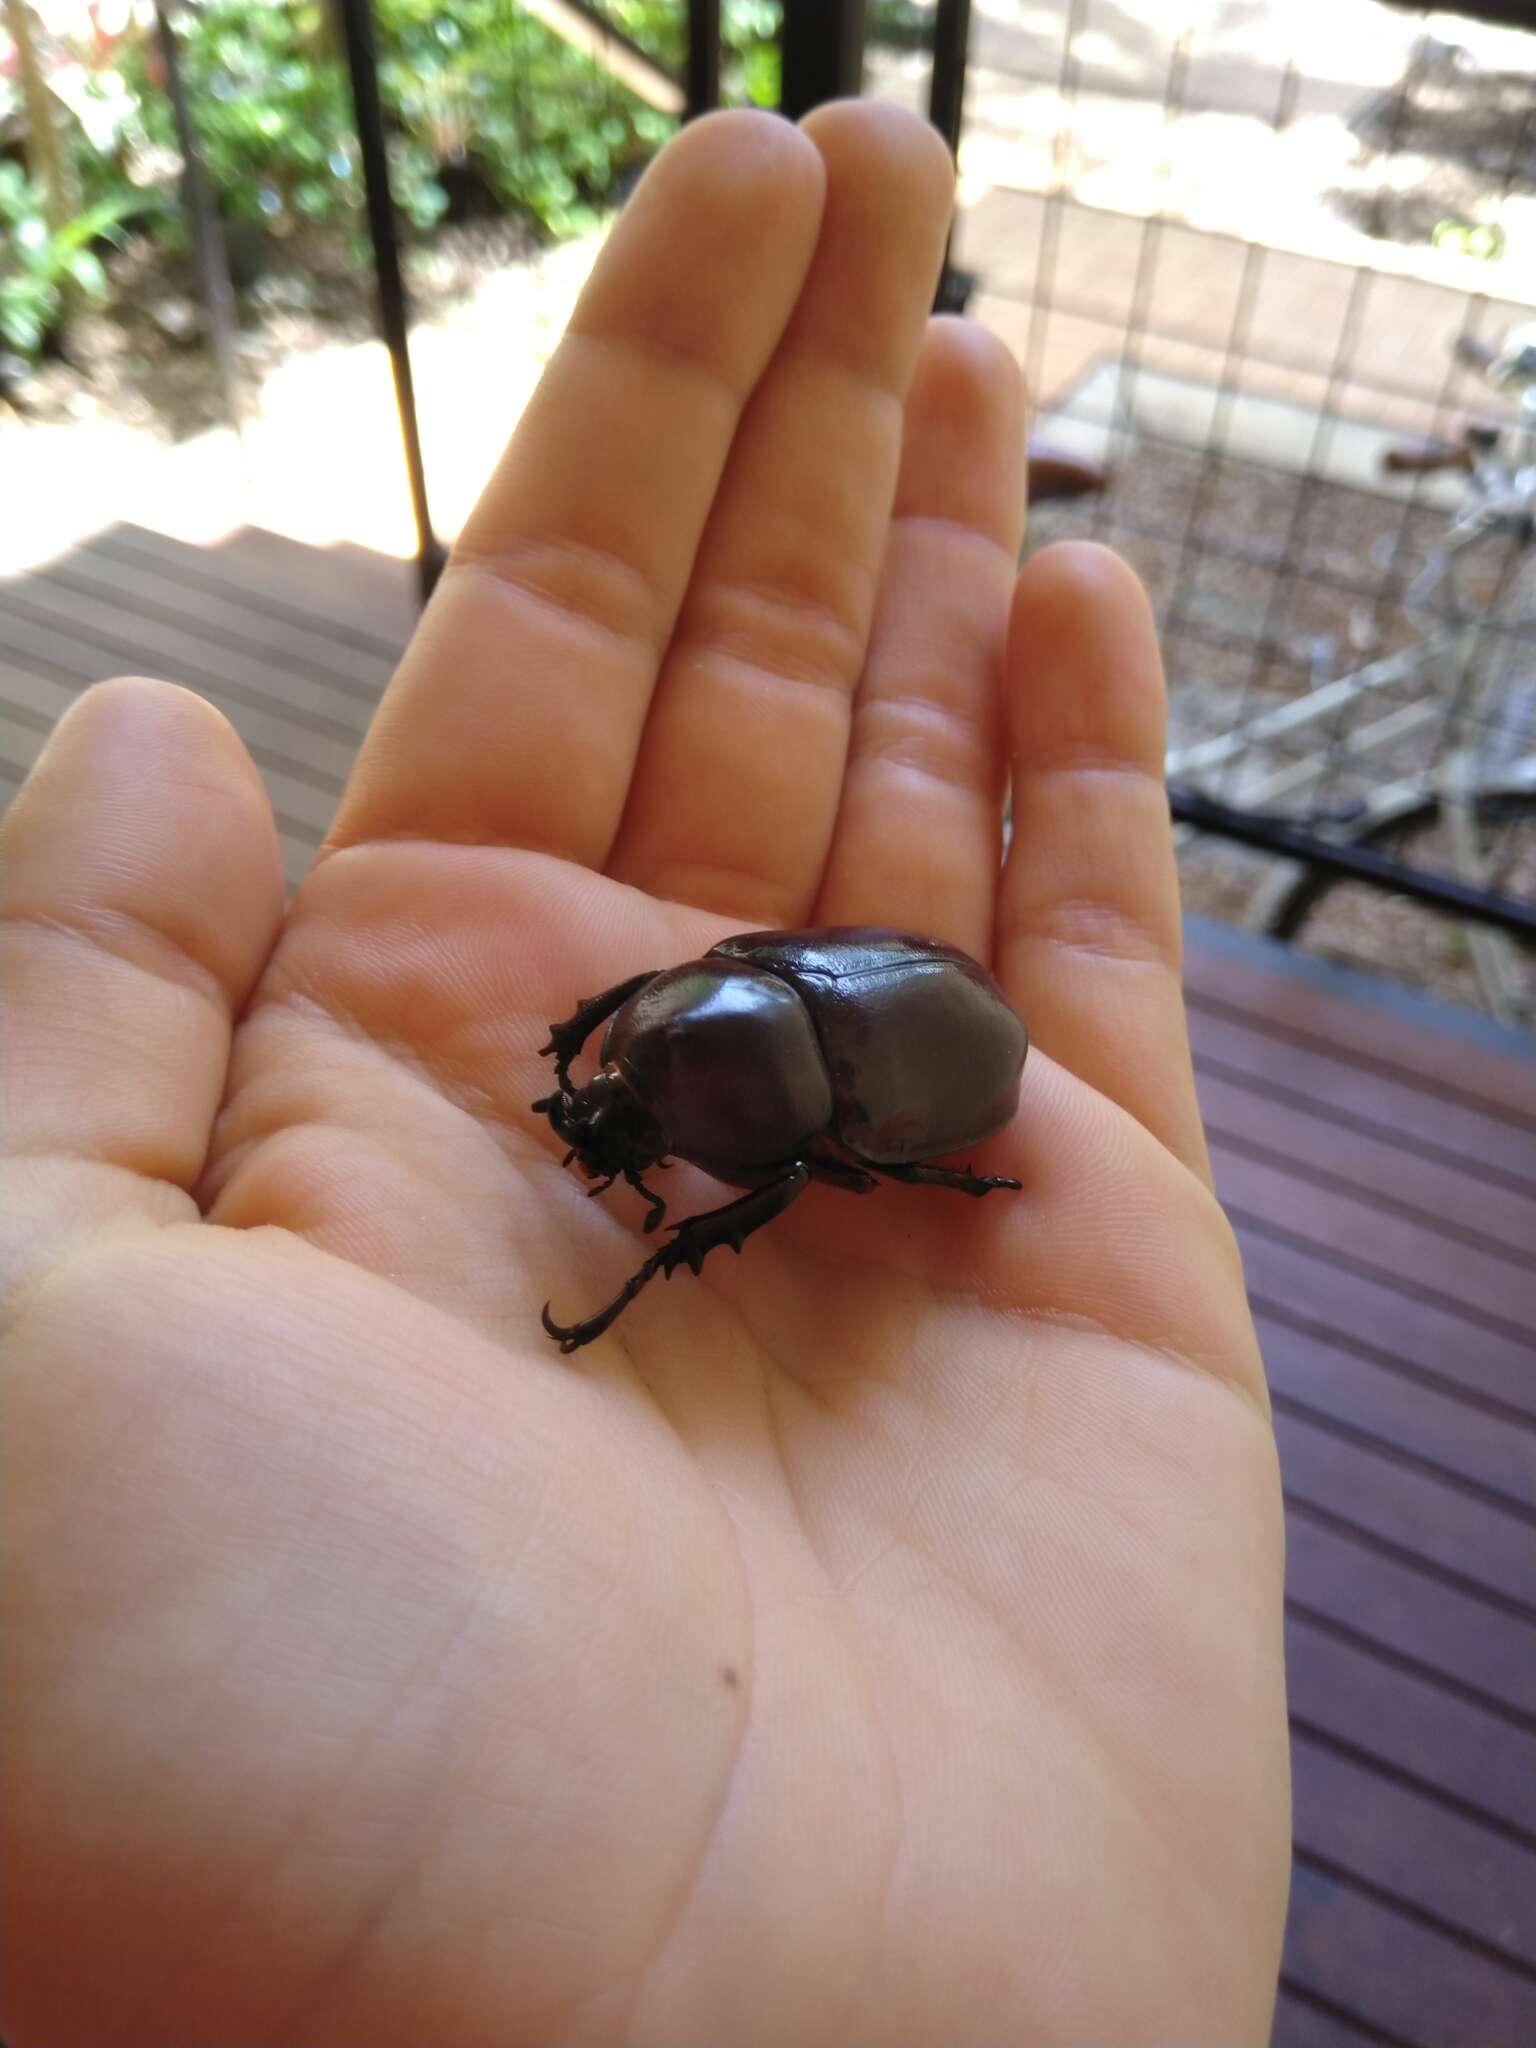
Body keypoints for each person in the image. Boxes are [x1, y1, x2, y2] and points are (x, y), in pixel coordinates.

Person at [0, 101, 1290, 2047]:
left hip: (905, 1053)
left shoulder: (767, 1076)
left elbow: (732, 1092)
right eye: (617, 1087)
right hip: (814, 1015)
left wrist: (652, 1204)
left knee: (801, 1161)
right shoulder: (700, 1003)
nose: (604, 1110)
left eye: (616, 1096)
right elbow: (663, 1023)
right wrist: (597, 1069)